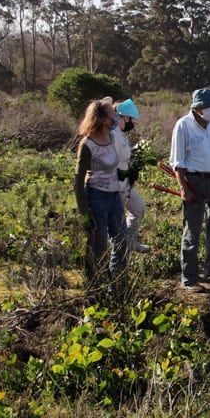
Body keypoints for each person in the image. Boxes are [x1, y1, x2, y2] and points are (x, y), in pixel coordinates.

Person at [169, 88, 210, 292]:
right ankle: (190, 279)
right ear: (196, 109)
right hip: (195, 180)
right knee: (192, 230)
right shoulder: (183, 126)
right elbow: (178, 162)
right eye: (206, 107)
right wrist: (183, 188)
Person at [73, 98, 127, 281]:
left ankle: (118, 281)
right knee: (98, 245)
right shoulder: (88, 144)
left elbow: (113, 166)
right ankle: (96, 284)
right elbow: (78, 179)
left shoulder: (111, 137)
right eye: (113, 115)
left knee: (121, 240)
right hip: (97, 197)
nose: (116, 117)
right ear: (103, 120)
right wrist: (84, 212)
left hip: (113, 196)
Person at [112, 98, 150, 254]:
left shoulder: (121, 134)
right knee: (116, 221)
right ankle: (119, 249)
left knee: (139, 208)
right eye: (131, 120)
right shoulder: (112, 134)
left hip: (125, 184)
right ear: (124, 117)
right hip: (114, 185)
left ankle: (130, 242)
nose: (132, 125)